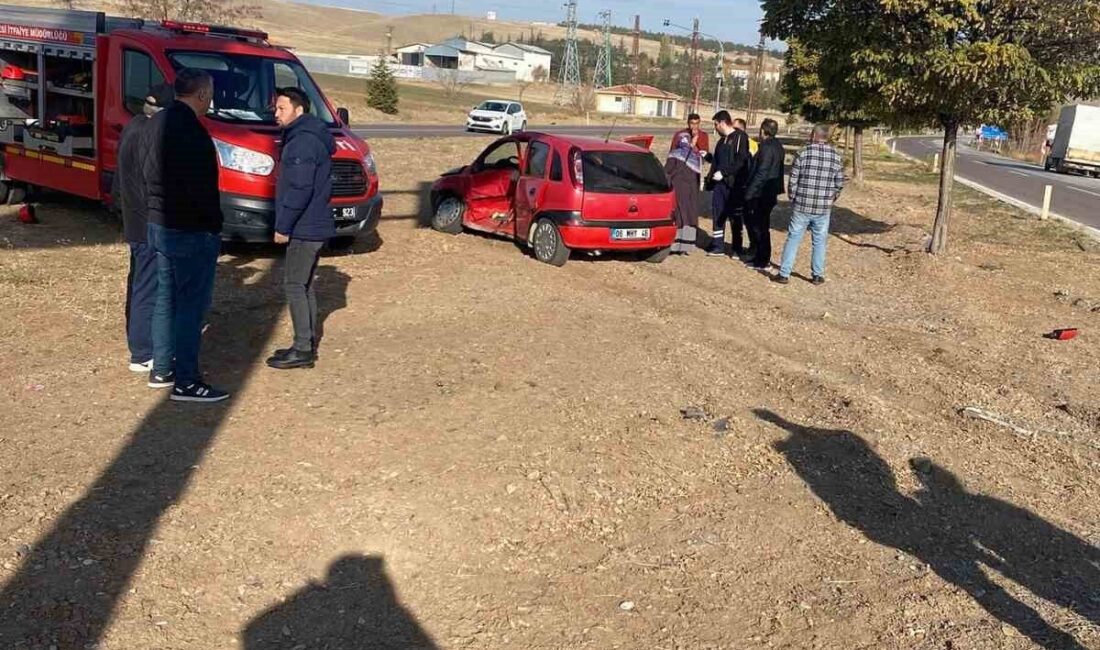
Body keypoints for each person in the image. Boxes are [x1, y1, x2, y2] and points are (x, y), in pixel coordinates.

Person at [144, 68, 228, 403]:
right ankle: (187, 381)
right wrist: (213, 227)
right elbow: (198, 188)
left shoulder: (156, 123)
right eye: (210, 94)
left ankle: (162, 368)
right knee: (190, 307)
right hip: (188, 229)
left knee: (167, 299)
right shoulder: (190, 131)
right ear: (202, 94)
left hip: (159, 222)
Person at [266, 87, 336, 370]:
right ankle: (303, 343)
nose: (276, 114)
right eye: (275, 109)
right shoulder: (309, 136)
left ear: (299, 110)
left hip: (305, 226)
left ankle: (303, 349)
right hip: (314, 224)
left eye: (281, 108)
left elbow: (300, 187)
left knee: (295, 285)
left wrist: (283, 225)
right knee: (304, 285)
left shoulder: (302, 143)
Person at [114, 83, 174, 379]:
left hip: (133, 220)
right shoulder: (150, 135)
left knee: (139, 282)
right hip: (146, 222)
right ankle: (143, 352)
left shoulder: (132, 126)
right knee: (148, 287)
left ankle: (141, 344)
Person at [774, 123, 844, 285]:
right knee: (819, 240)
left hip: (802, 204)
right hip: (823, 207)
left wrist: (793, 196)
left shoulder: (803, 153)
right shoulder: (835, 156)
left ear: (813, 135)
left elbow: (793, 179)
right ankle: (817, 275)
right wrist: (832, 198)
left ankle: (784, 273)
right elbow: (839, 183)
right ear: (826, 137)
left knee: (793, 238)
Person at [703, 110, 752, 258]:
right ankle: (717, 246)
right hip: (719, 186)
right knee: (718, 215)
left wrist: (724, 173)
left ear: (723, 123)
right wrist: (708, 157)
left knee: (735, 216)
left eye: (716, 124)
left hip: (734, 185)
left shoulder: (740, 137)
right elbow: (718, 162)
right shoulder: (720, 141)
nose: (715, 127)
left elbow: (741, 160)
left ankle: (737, 248)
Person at [744, 118, 786, 271]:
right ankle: (760, 257)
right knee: (761, 226)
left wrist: (750, 192)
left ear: (763, 130)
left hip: (762, 193)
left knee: (760, 227)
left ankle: (762, 260)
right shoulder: (778, 146)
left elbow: (762, 172)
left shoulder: (767, 147)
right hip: (769, 192)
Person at [664, 113, 709, 255]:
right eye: (691, 123)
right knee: (678, 209)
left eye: (696, 123)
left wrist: (694, 146)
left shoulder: (703, 136)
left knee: (690, 209)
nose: (693, 126)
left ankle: (687, 243)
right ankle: (675, 242)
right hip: (678, 176)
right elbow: (673, 152)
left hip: (692, 177)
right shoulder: (679, 135)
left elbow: (704, 154)